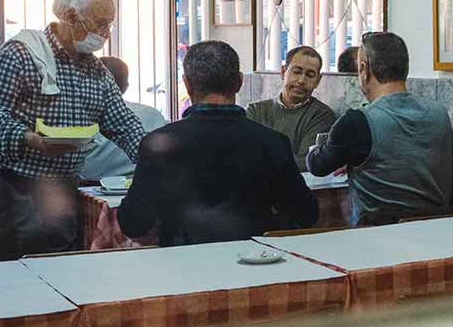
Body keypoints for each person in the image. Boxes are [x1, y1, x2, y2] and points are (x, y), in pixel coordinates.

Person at [0, 0, 145, 261]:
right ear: (69, 15)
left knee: (60, 267)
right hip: (17, 186)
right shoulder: (22, 54)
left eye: (109, 26)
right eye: (100, 24)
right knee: (14, 272)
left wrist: (154, 158)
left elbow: (124, 124)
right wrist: (31, 139)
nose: (104, 34)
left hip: (64, 186)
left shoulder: (97, 72)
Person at [118, 41, 318, 246]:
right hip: (253, 263)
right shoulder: (272, 142)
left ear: (187, 85)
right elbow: (306, 214)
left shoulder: (158, 144)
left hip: (179, 266)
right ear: (239, 82)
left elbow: (133, 223)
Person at [307, 32, 453, 226]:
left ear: (363, 69)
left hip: (378, 238)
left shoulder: (358, 121)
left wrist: (316, 151)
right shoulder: (440, 114)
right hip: (438, 229)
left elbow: (318, 166)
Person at [246, 46, 336, 172]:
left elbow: (305, 162)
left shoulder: (322, 116)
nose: (301, 81)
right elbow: (245, 156)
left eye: (310, 75)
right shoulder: (255, 110)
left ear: (317, 81)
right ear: (283, 72)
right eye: (297, 72)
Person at [79, 57, 165, 181]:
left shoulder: (82, 117)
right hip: (144, 189)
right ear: (126, 86)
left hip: (88, 191)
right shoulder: (154, 115)